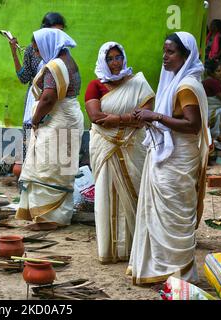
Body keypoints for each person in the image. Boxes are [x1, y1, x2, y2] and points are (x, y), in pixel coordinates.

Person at [129, 32, 210, 286]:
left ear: (185, 56)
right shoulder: (179, 82)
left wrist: (155, 117)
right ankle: (162, 270)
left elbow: (192, 125)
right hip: (171, 156)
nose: (165, 57)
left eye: (171, 52)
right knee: (161, 213)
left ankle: (176, 273)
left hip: (179, 159)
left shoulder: (186, 86)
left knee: (172, 213)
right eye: (164, 51)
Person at [85, 42, 155, 263]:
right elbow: (96, 117)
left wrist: (116, 118)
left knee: (137, 190)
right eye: (110, 59)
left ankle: (137, 248)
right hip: (104, 146)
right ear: (103, 61)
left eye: (118, 57)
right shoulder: (95, 85)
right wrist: (128, 118)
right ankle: (110, 250)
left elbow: (147, 113)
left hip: (134, 146)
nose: (115, 63)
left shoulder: (138, 84)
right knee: (106, 193)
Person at [15, 28, 84, 231]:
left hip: (58, 120)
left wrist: (35, 119)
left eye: (37, 50)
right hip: (69, 116)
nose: (37, 54)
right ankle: (58, 215)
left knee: (47, 167)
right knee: (61, 167)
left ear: (47, 45)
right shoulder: (68, 61)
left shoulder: (55, 66)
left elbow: (48, 98)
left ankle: (47, 218)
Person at [8, 12, 66, 161]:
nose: (57, 36)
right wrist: (14, 53)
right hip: (34, 100)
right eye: (54, 31)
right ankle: (28, 175)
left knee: (50, 142)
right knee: (31, 140)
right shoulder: (32, 50)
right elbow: (24, 77)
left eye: (61, 32)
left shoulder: (63, 52)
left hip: (55, 101)